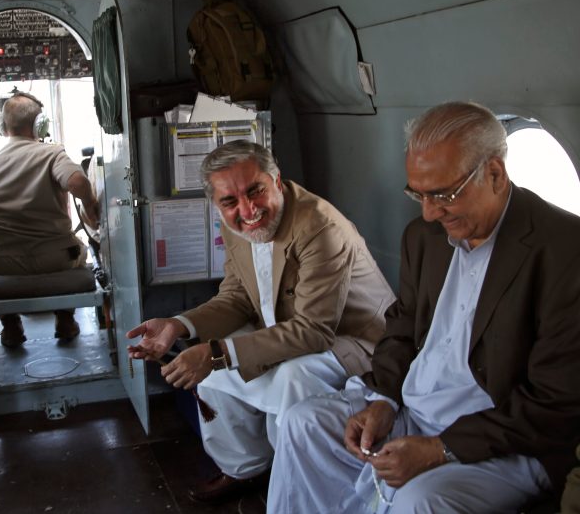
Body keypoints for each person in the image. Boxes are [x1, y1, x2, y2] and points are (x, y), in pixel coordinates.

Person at [267, 101, 580, 513]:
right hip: (414, 411)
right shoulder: (424, 237)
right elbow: (401, 329)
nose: (430, 213)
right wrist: (382, 400)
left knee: (422, 501)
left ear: (495, 174)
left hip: (507, 442)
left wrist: (440, 449)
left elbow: (554, 402)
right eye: (418, 194)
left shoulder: (564, 251)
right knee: (301, 422)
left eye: (443, 194)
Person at [126, 140, 395, 503]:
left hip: (356, 341)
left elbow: (314, 330)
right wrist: (178, 325)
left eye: (256, 191)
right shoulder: (235, 227)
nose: (248, 210)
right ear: (217, 204)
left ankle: (299, 479)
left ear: (277, 182)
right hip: (286, 330)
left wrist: (217, 352)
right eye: (230, 201)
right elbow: (236, 298)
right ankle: (245, 468)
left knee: (292, 375)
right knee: (211, 369)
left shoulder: (319, 226)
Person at [0, 92, 100, 347]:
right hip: (56, 259)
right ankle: (65, 320)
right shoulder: (52, 154)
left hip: (6, 262)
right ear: (39, 125)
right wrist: (89, 204)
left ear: (3, 126)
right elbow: (77, 181)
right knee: (82, 251)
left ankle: (11, 327)